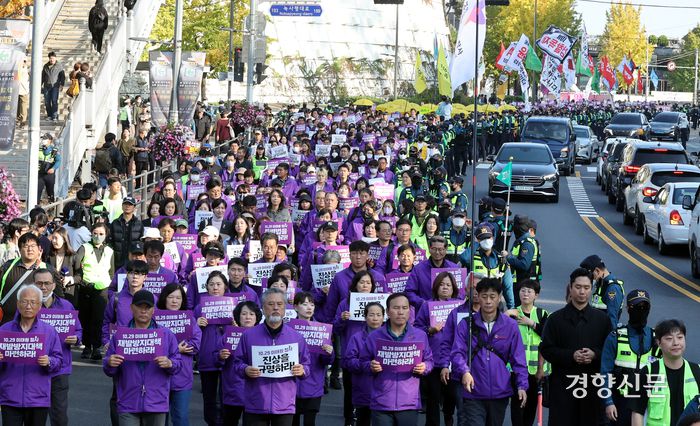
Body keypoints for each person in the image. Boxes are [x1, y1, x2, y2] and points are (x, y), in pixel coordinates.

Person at [451, 278, 528, 426]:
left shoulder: (510, 326)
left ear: (499, 297)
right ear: (478, 296)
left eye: (492, 297)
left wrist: (522, 386)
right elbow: (457, 353)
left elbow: (518, 359)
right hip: (473, 391)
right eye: (484, 296)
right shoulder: (466, 324)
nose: (488, 301)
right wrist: (464, 372)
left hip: (500, 392)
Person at [540, 267, 612, 426]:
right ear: (570, 288)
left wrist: (595, 354)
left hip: (592, 388)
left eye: (586, 287)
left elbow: (611, 352)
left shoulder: (602, 320)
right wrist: (571, 355)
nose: (582, 292)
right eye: (578, 287)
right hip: (563, 388)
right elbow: (546, 349)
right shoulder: (555, 319)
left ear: (591, 289)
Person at [233, 288, 311, 425]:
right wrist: (245, 369)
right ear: (263, 308)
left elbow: (307, 365)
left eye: (280, 304)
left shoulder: (296, 337)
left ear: (285, 308)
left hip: (284, 405)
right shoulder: (248, 335)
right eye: (270, 304)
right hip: (255, 404)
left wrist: (302, 370)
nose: (275, 308)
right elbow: (237, 363)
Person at [103, 289, 182, 426]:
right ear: (131, 308)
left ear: (153, 310)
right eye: (140, 306)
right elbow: (109, 369)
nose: (143, 311)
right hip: (128, 402)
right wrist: (109, 363)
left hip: (156, 403)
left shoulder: (166, 334)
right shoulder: (120, 335)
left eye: (148, 307)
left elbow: (178, 363)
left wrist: (170, 363)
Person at [359, 292, 433, 426]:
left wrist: (425, 367)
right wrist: (370, 365)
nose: (400, 312)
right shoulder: (374, 336)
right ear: (388, 311)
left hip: (409, 402)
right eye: (396, 308)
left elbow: (429, 361)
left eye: (404, 308)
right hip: (381, 402)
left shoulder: (420, 335)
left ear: (409, 311)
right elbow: (363, 362)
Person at [0, 284, 63, 426]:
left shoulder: (49, 331)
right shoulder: (4, 330)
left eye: (33, 302)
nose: (28, 306)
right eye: (24, 301)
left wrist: (49, 361)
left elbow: (59, 361)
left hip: (38, 398)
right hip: (10, 397)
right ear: (18, 304)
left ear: (39, 306)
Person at [600, 289, 658, 426]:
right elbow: (605, 372)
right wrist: (608, 402)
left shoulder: (656, 338)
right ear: (628, 309)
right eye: (637, 306)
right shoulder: (616, 337)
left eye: (645, 307)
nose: (641, 310)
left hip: (649, 402)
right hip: (620, 402)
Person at [629, 319, 700, 426]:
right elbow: (637, 412)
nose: (676, 343)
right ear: (659, 343)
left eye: (680, 337)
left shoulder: (697, 370)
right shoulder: (648, 372)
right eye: (669, 338)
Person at [35, 268, 82, 426]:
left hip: (60, 368)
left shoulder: (66, 306)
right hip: (34, 368)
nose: (43, 287)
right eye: (39, 283)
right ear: (33, 285)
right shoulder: (27, 306)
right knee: (35, 417)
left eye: (47, 283)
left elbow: (78, 330)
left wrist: (76, 338)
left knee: (59, 416)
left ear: (54, 285)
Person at [414, 272, 460, 426]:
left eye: (448, 285)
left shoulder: (459, 307)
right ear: (435, 287)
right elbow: (417, 329)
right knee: (433, 397)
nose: (445, 287)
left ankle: (448, 416)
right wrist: (430, 330)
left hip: (453, 360)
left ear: (453, 288)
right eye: (441, 284)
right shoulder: (427, 305)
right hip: (432, 359)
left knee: (451, 395)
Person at [505, 279, 549, 426]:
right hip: (516, 369)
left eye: (529, 291)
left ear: (536, 295)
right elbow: (499, 331)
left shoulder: (542, 314)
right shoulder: (512, 313)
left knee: (531, 406)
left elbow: (548, 337)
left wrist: (531, 323)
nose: (525, 294)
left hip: (536, 370)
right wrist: (506, 313)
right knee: (517, 406)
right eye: (523, 290)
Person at [156, 284, 202, 426]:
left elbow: (196, 343)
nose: (174, 301)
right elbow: (150, 345)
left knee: (180, 418)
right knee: (159, 420)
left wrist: (175, 349)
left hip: (182, 377)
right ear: (164, 298)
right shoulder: (155, 319)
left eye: (178, 298)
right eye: (171, 297)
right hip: (157, 376)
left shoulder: (189, 319)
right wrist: (176, 349)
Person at [74, 223, 114, 360]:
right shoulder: (84, 247)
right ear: (91, 233)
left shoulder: (109, 251)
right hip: (87, 287)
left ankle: (96, 347)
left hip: (102, 288)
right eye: (95, 233)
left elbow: (111, 271)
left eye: (101, 234)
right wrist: (82, 281)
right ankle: (87, 346)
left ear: (106, 235)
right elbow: (77, 267)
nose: (98, 236)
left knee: (99, 319)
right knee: (85, 318)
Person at [292, 292, 333, 426]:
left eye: (312, 304)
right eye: (304, 304)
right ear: (295, 307)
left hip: (314, 383)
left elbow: (327, 362)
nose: (309, 307)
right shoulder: (287, 328)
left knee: (310, 422)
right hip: (291, 385)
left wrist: (328, 353)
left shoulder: (322, 330)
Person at [218, 300, 262, 425]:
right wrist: (220, 356)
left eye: (251, 314)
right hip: (233, 388)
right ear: (238, 316)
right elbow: (216, 359)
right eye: (244, 314)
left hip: (255, 389)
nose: (248, 317)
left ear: (257, 317)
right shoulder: (228, 336)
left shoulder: (263, 336)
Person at [343, 302, 385, 426]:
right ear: (365, 317)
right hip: (363, 388)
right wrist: (366, 365)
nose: (375, 318)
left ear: (384, 317)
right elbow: (348, 361)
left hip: (385, 391)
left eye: (378, 315)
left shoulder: (390, 337)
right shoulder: (356, 338)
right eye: (371, 315)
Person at [0, 232, 50, 325]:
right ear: (19, 249)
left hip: (37, 325)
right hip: (7, 323)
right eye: (26, 246)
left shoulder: (48, 269)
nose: (30, 249)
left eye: (33, 246)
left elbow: (57, 299)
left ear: (39, 249)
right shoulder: (8, 266)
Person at [461, 223, 515, 309]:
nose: (486, 240)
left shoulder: (500, 259)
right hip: (476, 303)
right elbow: (463, 258)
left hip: (495, 303)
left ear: (492, 238)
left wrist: (511, 307)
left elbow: (508, 286)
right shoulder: (472, 257)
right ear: (478, 240)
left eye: (488, 237)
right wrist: (475, 243)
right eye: (483, 238)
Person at [405, 235, 459, 309]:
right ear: (429, 249)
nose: (437, 252)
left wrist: (452, 303)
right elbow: (409, 292)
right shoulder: (418, 269)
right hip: (425, 311)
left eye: (440, 249)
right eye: (434, 249)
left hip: (449, 310)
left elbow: (461, 293)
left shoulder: (454, 268)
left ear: (446, 249)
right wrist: (423, 303)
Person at [502, 216, 541, 305]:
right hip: (520, 282)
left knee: (522, 309)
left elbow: (524, 264)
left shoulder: (526, 244)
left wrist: (508, 257)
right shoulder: (521, 241)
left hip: (525, 284)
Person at [579, 254, 625, 330]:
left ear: (597, 271)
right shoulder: (601, 284)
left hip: (603, 333)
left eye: (591, 275)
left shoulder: (612, 288)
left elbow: (612, 319)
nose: (590, 278)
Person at [109, 196, 145, 270]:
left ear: (134, 207)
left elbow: (141, 242)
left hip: (133, 260)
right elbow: (110, 241)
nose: (127, 206)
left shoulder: (139, 224)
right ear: (122, 206)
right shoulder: (115, 223)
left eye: (130, 204)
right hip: (117, 260)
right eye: (125, 204)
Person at [38, 133, 61, 202]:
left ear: (50, 140)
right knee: (37, 191)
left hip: (49, 175)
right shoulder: (39, 149)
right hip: (40, 174)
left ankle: (51, 205)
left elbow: (58, 161)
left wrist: (53, 168)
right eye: (43, 138)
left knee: (50, 192)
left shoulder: (54, 151)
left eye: (45, 139)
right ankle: (36, 206)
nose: (43, 140)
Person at [41, 52, 65, 121]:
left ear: (55, 58)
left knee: (54, 101)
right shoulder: (46, 66)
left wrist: (62, 84)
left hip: (55, 86)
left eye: (53, 58)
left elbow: (62, 76)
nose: (52, 60)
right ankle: (49, 115)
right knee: (47, 102)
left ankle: (54, 116)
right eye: (50, 58)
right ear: (49, 58)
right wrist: (40, 84)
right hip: (46, 86)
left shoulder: (59, 66)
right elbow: (42, 76)